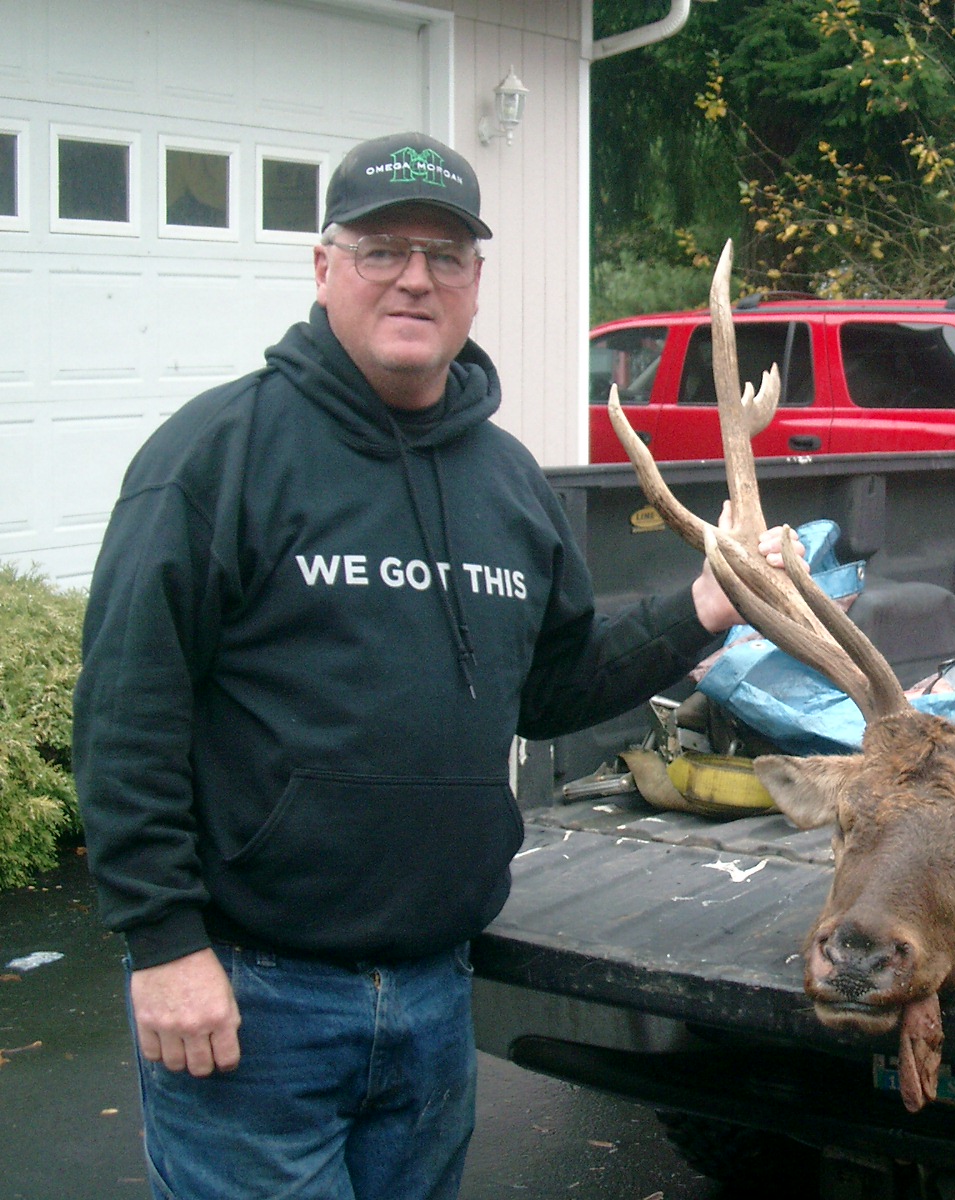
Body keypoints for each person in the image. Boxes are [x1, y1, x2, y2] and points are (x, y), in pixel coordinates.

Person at [73, 131, 777, 1200]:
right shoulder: (214, 457)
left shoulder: (507, 483)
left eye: (445, 255)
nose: (415, 276)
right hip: (253, 999)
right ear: (323, 268)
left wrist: (704, 606)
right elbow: (127, 714)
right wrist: (164, 943)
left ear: (477, 285)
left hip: (434, 996)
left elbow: (550, 689)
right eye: (382, 248)